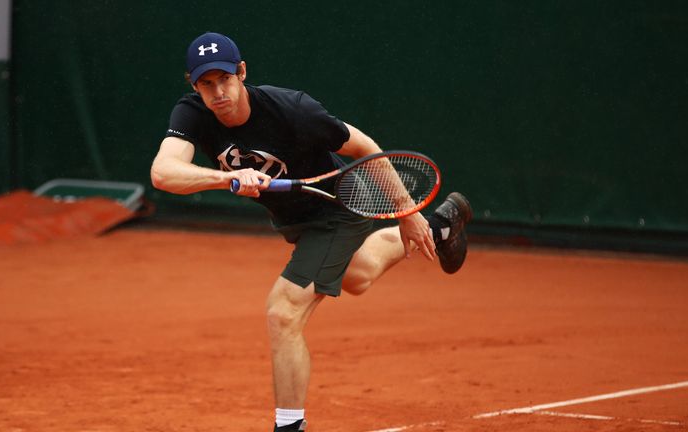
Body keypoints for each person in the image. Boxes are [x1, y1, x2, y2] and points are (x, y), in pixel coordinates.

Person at [150, 32, 472, 432]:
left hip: (338, 208)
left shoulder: (294, 110)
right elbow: (163, 173)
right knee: (358, 276)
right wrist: (225, 179)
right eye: (206, 83)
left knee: (283, 311)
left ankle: (290, 427)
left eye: (225, 79)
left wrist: (408, 211)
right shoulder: (192, 113)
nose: (218, 92)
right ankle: (442, 227)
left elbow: (366, 146)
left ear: (242, 73)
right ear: (194, 85)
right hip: (295, 218)